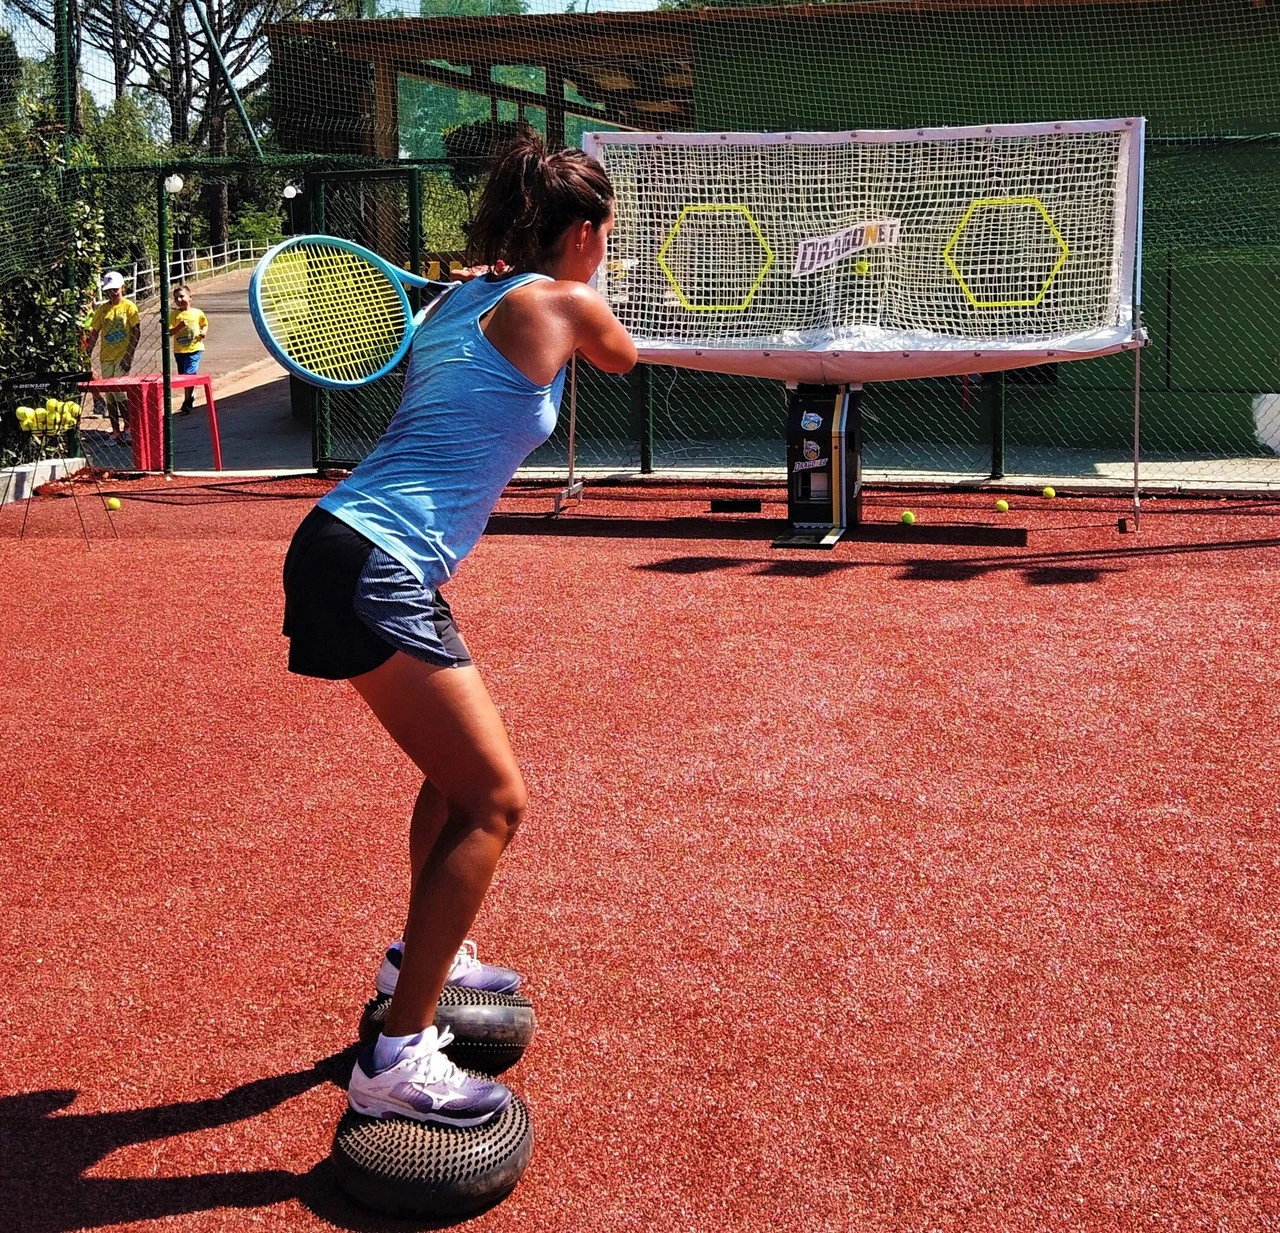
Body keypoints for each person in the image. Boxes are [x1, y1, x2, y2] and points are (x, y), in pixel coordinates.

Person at [281, 129, 637, 1127]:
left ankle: (419, 961)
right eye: (604, 235)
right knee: (495, 802)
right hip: (376, 561)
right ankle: (395, 1059)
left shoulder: (454, 301)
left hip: (353, 546)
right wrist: (582, 285)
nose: (604, 251)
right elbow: (621, 355)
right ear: (580, 234)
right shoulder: (560, 301)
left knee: (453, 780)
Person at [84, 271, 141, 442]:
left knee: (120, 392)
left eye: (115, 289)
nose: (112, 293)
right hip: (106, 357)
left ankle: (128, 427)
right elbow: (95, 332)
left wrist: (129, 355)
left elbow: (136, 331)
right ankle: (115, 431)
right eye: (109, 290)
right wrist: (88, 353)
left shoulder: (129, 307)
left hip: (122, 355)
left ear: (123, 288)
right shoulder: (102, 310)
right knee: (109, 394)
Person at [168, 285, 209, 415]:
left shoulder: (197, 313)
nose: (179, 300)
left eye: (182, 296)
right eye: (176, 298)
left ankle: (187, 402)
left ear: (190, 297)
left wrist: (203, 332)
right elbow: (169, 332)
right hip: (180, 350)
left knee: (189, 374)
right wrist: (179, 326)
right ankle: (191, 393)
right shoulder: (174, 314)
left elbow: (204, 324)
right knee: (183, 376)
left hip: (195, 349)